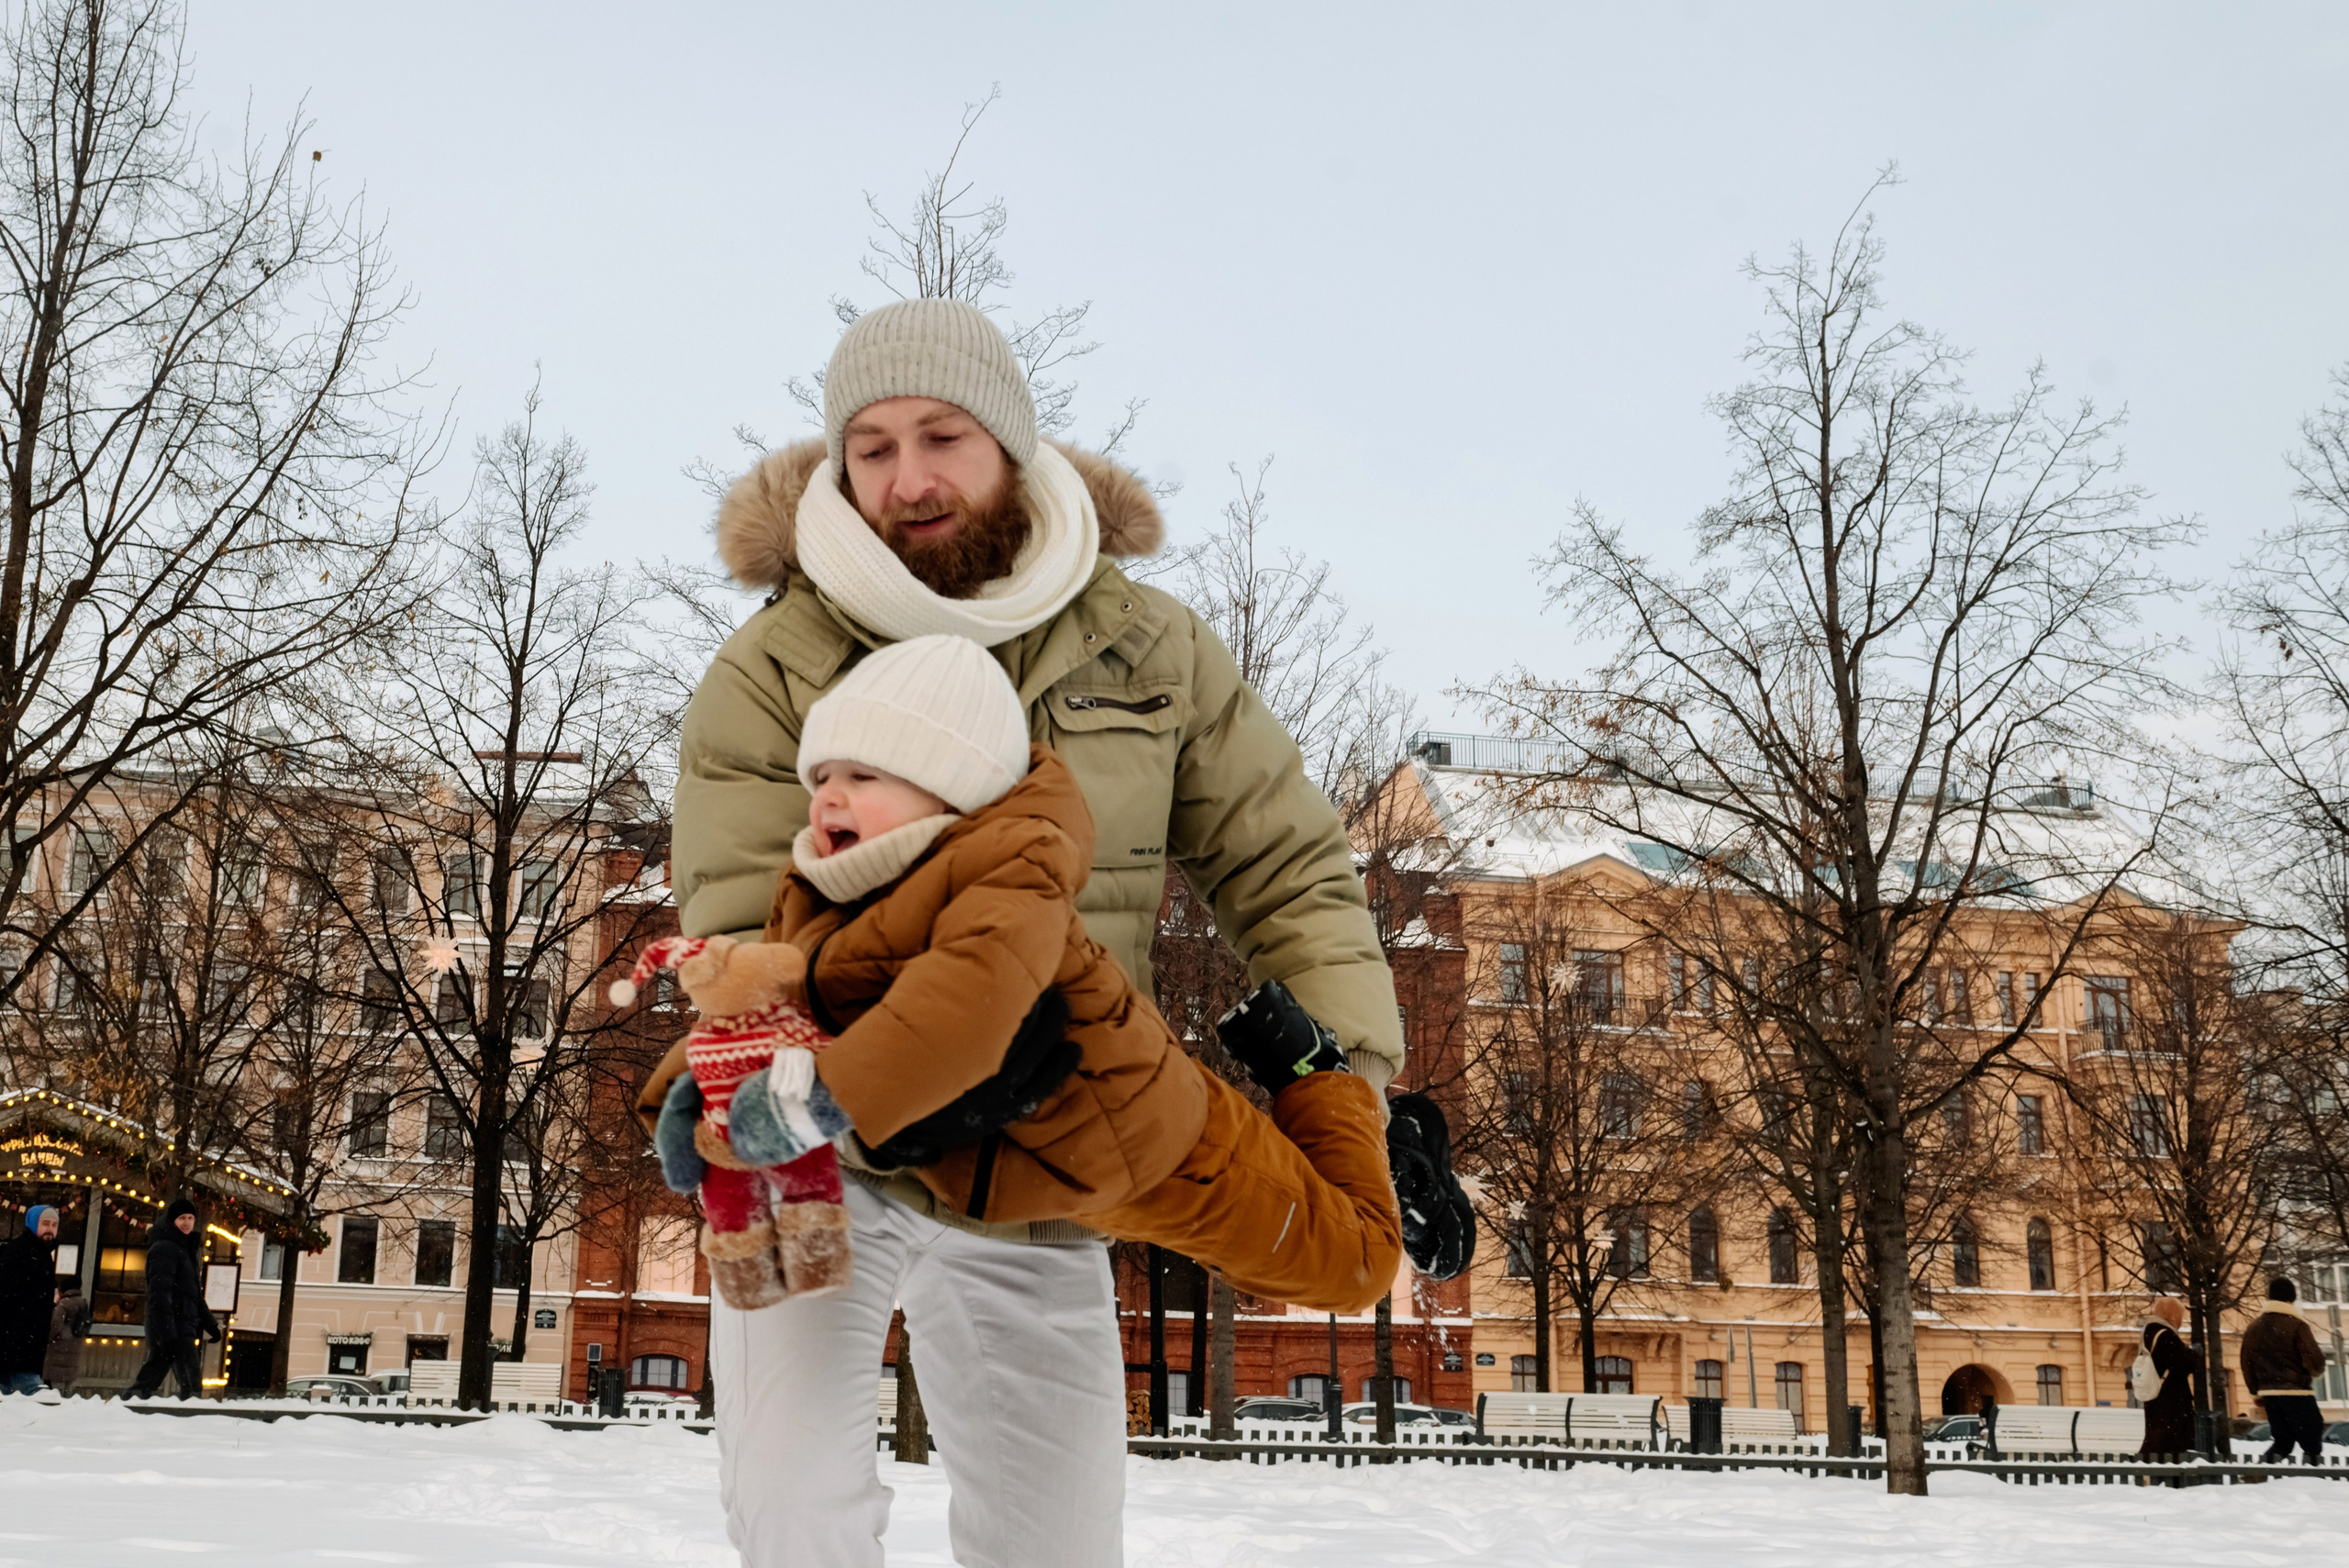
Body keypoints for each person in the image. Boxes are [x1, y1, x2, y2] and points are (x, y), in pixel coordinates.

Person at [672, 296, 1470, 1568]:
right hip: (833, 1147)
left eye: (942, 436)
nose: (910, 477)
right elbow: (730, 917)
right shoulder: (776, 665)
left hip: (1052, 1146)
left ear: (1011, 445)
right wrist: (828, 1072)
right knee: (792, 1500)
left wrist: (1359, 1081)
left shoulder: (1145, 647)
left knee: (1053, 1541)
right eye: (871, 448)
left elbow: (1286, 865)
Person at [635, 636, 1403, 1316]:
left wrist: (818, 1101)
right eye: (822, 773)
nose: (829, 795)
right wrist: (684, 1091)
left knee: (1354, 1264)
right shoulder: (819, 889)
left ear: (950, 788)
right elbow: (771, 1009)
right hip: (1047, 1163)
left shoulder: (1010, 868)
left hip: (1156, 1142)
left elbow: (965, 1006)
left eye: (864, 774)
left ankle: (1327, 1084)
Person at [127, 1198, 218, 1399]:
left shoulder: (184, 1250)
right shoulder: (165, 1249)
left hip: (180, 1325)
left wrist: (211, 1325)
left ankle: (129, 1405)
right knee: (191, 1383)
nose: (187, 1223)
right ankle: (188, 1420)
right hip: (173, 1325)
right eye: (181, 1218)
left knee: (151, 1377)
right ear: (172, 1221)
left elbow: (194, 1295)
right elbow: (159, 1293)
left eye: (190, 1218)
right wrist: (167, 1330)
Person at [2242, 1275, 2329, 1464]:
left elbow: (2246, 1363)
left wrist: (2255, 1391)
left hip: (2270, 1395)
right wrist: (2316, 1370)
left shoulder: (2254, 1327)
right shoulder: (2297, 1325)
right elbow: (2314, 1360)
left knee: (2283, 1441)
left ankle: (2260, 1474)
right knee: (2312, 1439)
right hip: (2297, 1392)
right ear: (2292, 1298)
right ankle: (2315, 1480)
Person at [0, 1205, 61, 1394]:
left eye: (54, 1224)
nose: (50, 1229)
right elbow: (7, 1296)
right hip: (15, 1344)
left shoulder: (44, 1256)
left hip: (30, 1345)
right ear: (33, 1224)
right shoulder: (18, 1251)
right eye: (45, 1223)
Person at [2137, 1296, 2199, 1459]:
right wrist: (2193, 1353)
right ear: (2171, 1315)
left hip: (2155, 1397)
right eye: (2179, 1315)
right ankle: (2165, 1476)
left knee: (2156, 1437)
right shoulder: (2166, 1335)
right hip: (2171, 1401)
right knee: (2170, 1443)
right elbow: (2183, 1364)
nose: (2180, 1320)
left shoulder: (2148, 1334)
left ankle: (2150, 1471)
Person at [45, 1278, 91, 1395]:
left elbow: (56, 1324)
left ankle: (53, 1397)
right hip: (75, 1341)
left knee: (54, 1376)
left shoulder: (64, 1303)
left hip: (60, 1343)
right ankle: (66, 1396)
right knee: (68, 1374)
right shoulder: (83, 1302)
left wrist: (48, 1338)